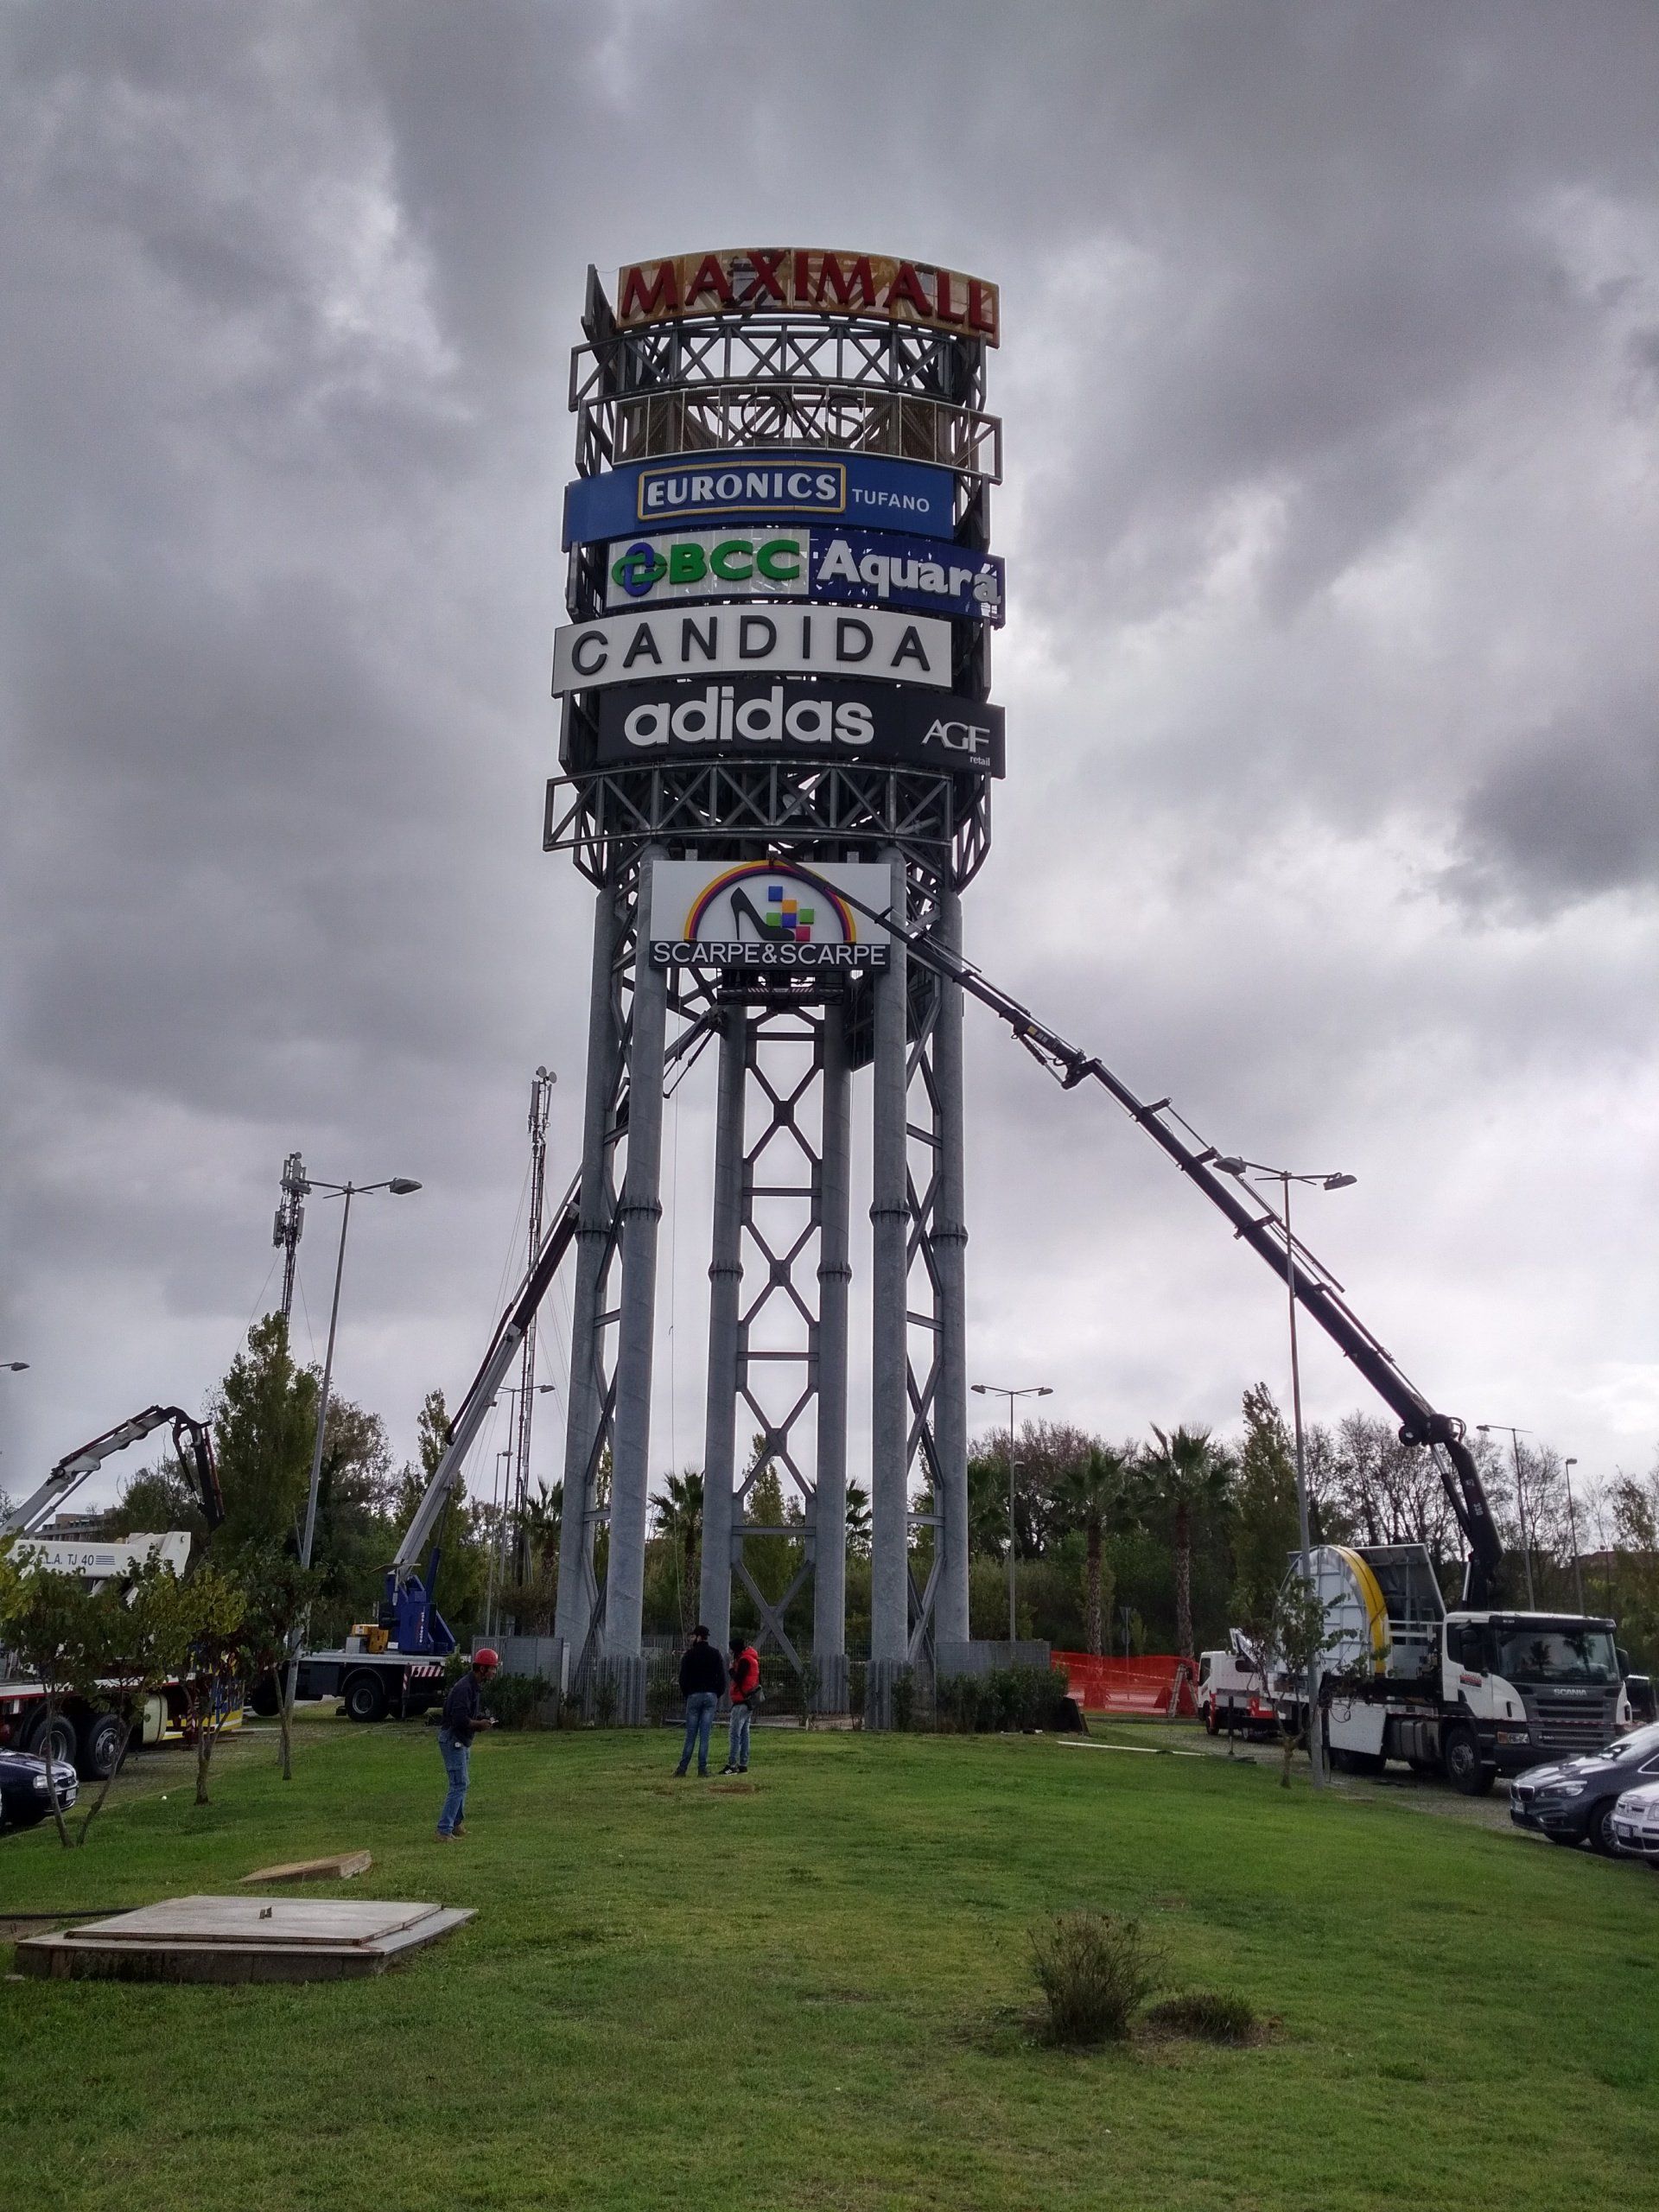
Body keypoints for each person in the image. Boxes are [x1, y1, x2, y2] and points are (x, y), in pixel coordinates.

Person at [436, 1645, 499, 1840]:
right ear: (482, 1669)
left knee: (463, 1783)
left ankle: (456, 1825)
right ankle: (443, 1830)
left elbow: (467, 1715)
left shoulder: (474, 1686)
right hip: (453, 1739)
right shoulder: (464, 1688)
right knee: (458, 1784)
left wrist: (481, 1719)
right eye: (492, 1668)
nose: (494, 1672)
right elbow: (459, 1720)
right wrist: (479, 1724)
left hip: (462, 1740)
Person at [674, 1625, 727, 1777]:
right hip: (711, 1695)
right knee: (705, 1734)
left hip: (694, 1695)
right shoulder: (715, 1654)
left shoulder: (689, 1655)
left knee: (691, 1735)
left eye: (693, 1636)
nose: (691, 1639)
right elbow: (722, 1678)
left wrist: (687, 1693)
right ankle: (702, 1769)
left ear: (698, 1637)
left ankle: (682, 1768)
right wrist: (717, 1693)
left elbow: (682, 1678)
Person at [722, 1633, 760, 1775]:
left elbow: (738, 1678)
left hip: (741, 1700)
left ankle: (732, 1764)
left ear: (736, 1650)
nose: (731, 1652)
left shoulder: (744, 1661)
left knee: (735, 1734)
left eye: (732, 1650)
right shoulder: (753, 1659)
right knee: (745, 1734)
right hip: (749, 1700)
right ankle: (743, 1763)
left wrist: (731, 1669)